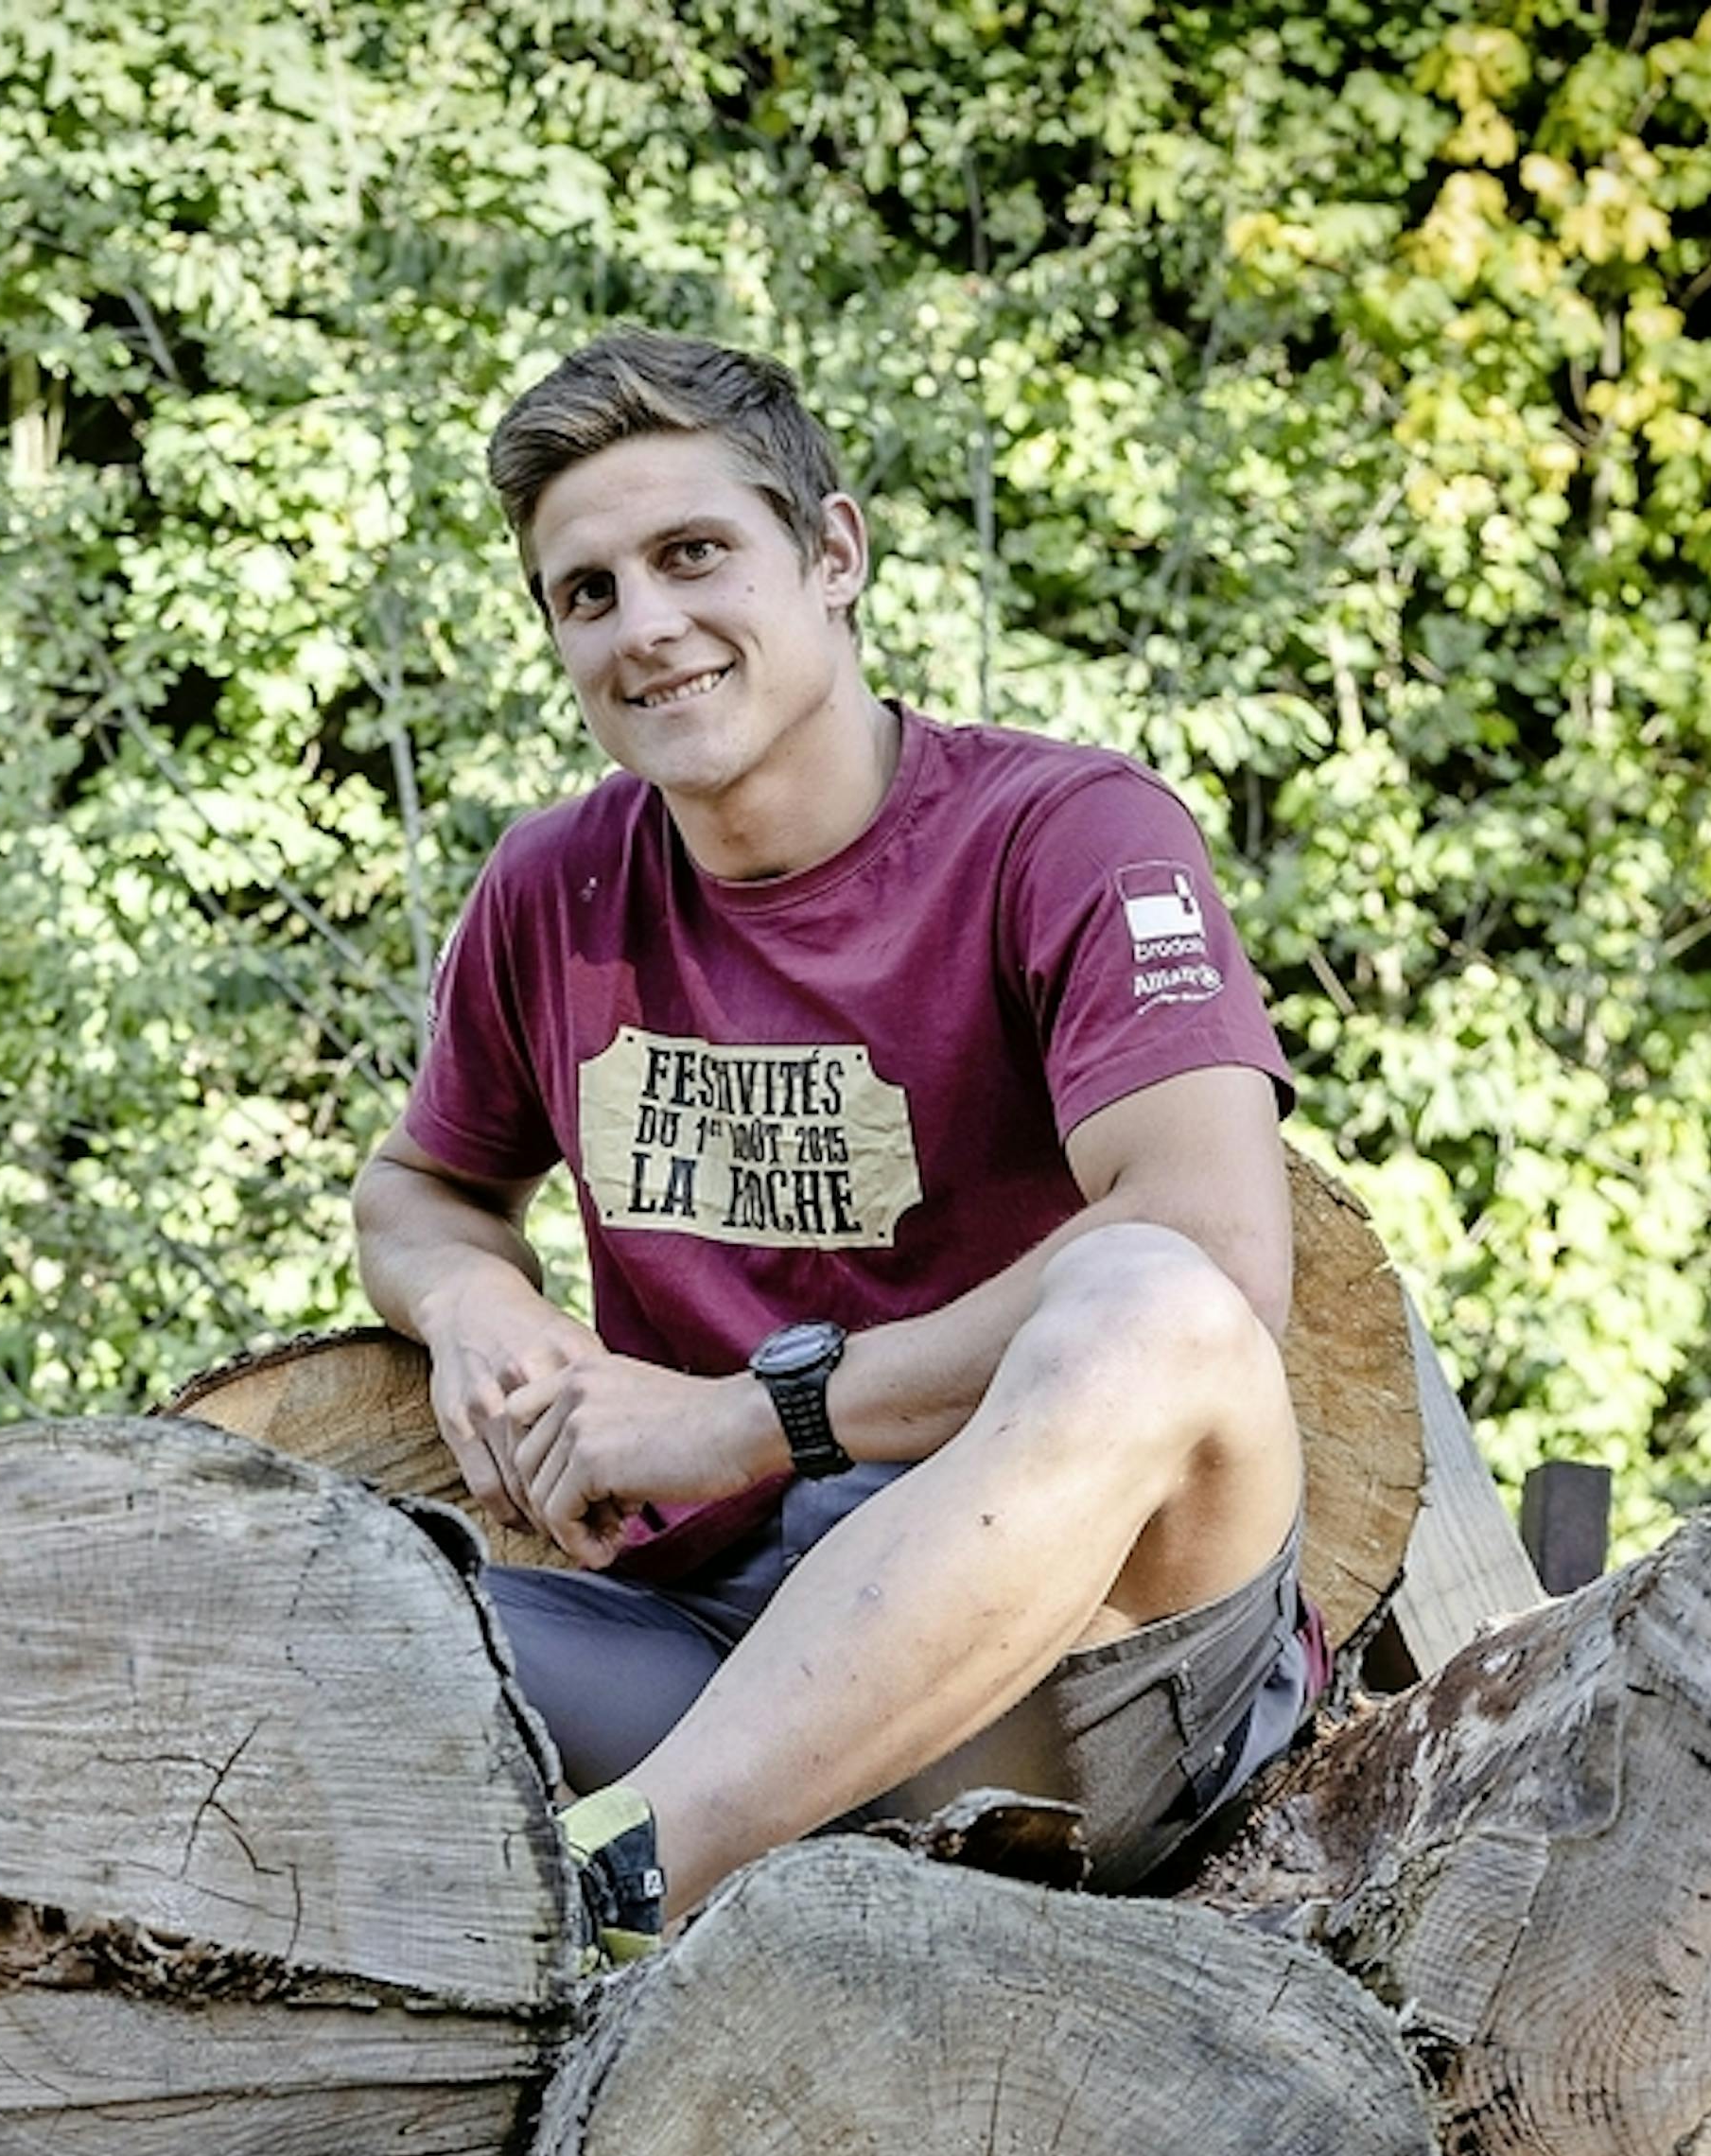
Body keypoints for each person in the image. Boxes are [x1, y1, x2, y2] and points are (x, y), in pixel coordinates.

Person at [353, 332, 1313, 1937]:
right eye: (585, 595)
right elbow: (422, 1190)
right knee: (300, 1612)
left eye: (691, 555)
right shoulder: (556, 887)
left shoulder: (1069, 834)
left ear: (835, 553)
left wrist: (739, 1423)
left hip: (1083, 1682)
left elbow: (1216, 1246)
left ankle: (631, 1886)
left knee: (1153, 1303)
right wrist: (478, 1308)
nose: (645, 628)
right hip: (712, 1645)